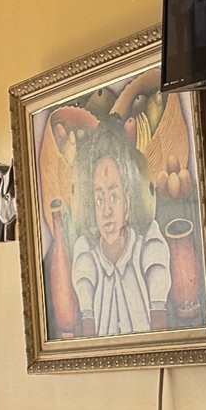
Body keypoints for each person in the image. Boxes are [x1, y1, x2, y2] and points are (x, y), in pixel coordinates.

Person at [61, 123, 171, 337]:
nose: (107, 210)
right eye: (99, 199)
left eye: (114, 196)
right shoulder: (86, 260)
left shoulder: (148, 251)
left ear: (127, 201)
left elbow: (160, 335)